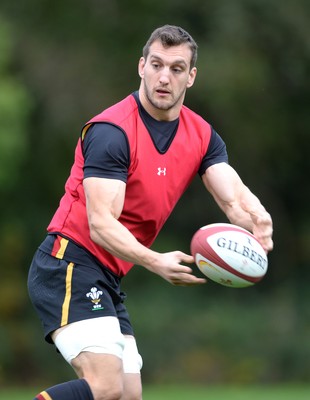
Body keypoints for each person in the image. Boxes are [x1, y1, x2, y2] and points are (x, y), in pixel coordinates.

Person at [28, 24, 273, 400]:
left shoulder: (202, 135)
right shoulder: (113, 131)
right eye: (156, 64)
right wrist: (155, 261)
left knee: (128, 395)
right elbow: (100, 224)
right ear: (141, 66)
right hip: (69, 264)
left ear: (190, 77)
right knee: (106, 386)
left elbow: (233, 197)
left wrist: (257, 218)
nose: (164, 76)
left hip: (107, 276)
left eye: (176, 69)